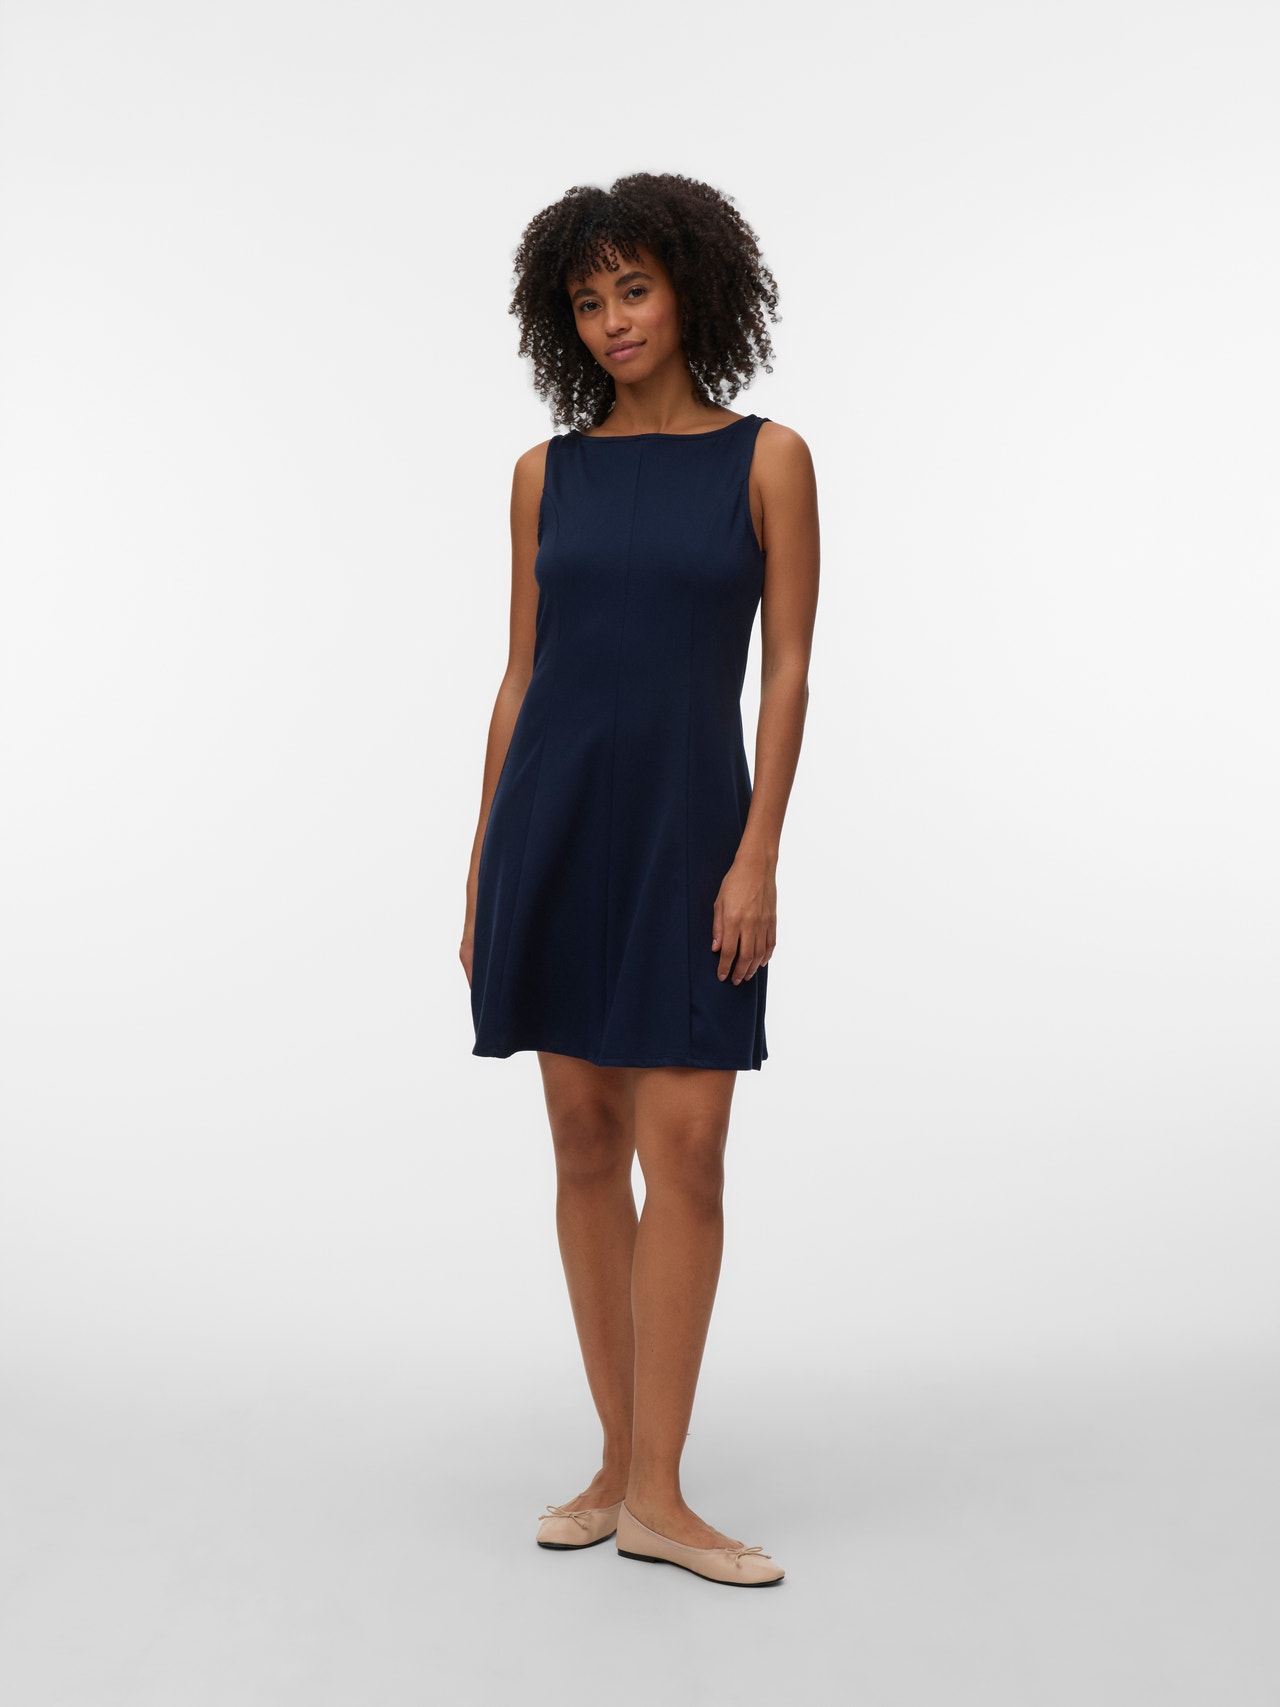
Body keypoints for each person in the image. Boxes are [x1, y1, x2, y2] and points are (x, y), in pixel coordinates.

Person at [459, 172, 819, 1587]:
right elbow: (520, 677)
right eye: (587, 300)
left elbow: (786, 672)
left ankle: (661, 1492)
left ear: (690, 292)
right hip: (553, 823)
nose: (613, 320)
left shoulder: (770, 460)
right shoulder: (543, 476)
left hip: (691, 832)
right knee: (583, 1142)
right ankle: (620, 1469)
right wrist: (483, 868)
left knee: (691, 1150)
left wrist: (758, 852)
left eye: (635, 289)